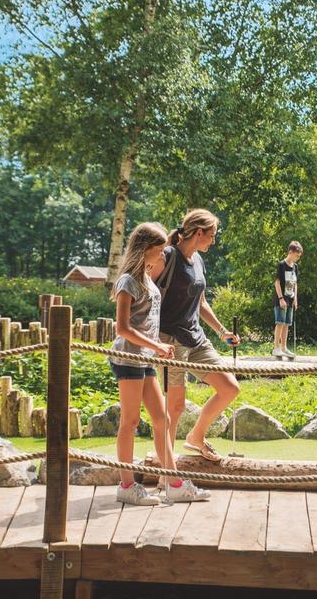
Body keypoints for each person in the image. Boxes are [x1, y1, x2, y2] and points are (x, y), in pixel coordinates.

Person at [109, 222, 210, 504]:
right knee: (129, 422)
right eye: (159, 249)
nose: (163, 254)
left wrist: (155, 349)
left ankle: (174, 482)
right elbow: (123, 328)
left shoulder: (147, 276)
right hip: (130, 357)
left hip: (146, 359)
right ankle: (127, 487)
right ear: (145, 250)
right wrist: (157, 346)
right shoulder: (128, 281)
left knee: (162, 419)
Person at [151, 209, 241, 463]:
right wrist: (149, 338)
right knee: (175, 408)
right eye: (211, 235)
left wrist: (222, 331)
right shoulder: (167, 256)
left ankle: (196, 437)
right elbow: (145, 290)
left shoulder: (198, 261)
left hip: (196, 338)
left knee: (229, 388)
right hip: (170, 341)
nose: (213, 241)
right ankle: (166, 473)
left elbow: (200, 303)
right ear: (199, 232)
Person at [272, 241, 303, 359]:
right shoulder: (281, 265)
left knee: (287, 324)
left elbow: (295, 283)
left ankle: (284, 348)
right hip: (281, 299)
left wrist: (295, 299)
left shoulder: (295, 267)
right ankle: (276, 348)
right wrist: (280, 298)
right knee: (280, 322)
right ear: (290, 252)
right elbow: (277, 282)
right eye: (297, 255)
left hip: (290, 299)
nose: (297, 258)